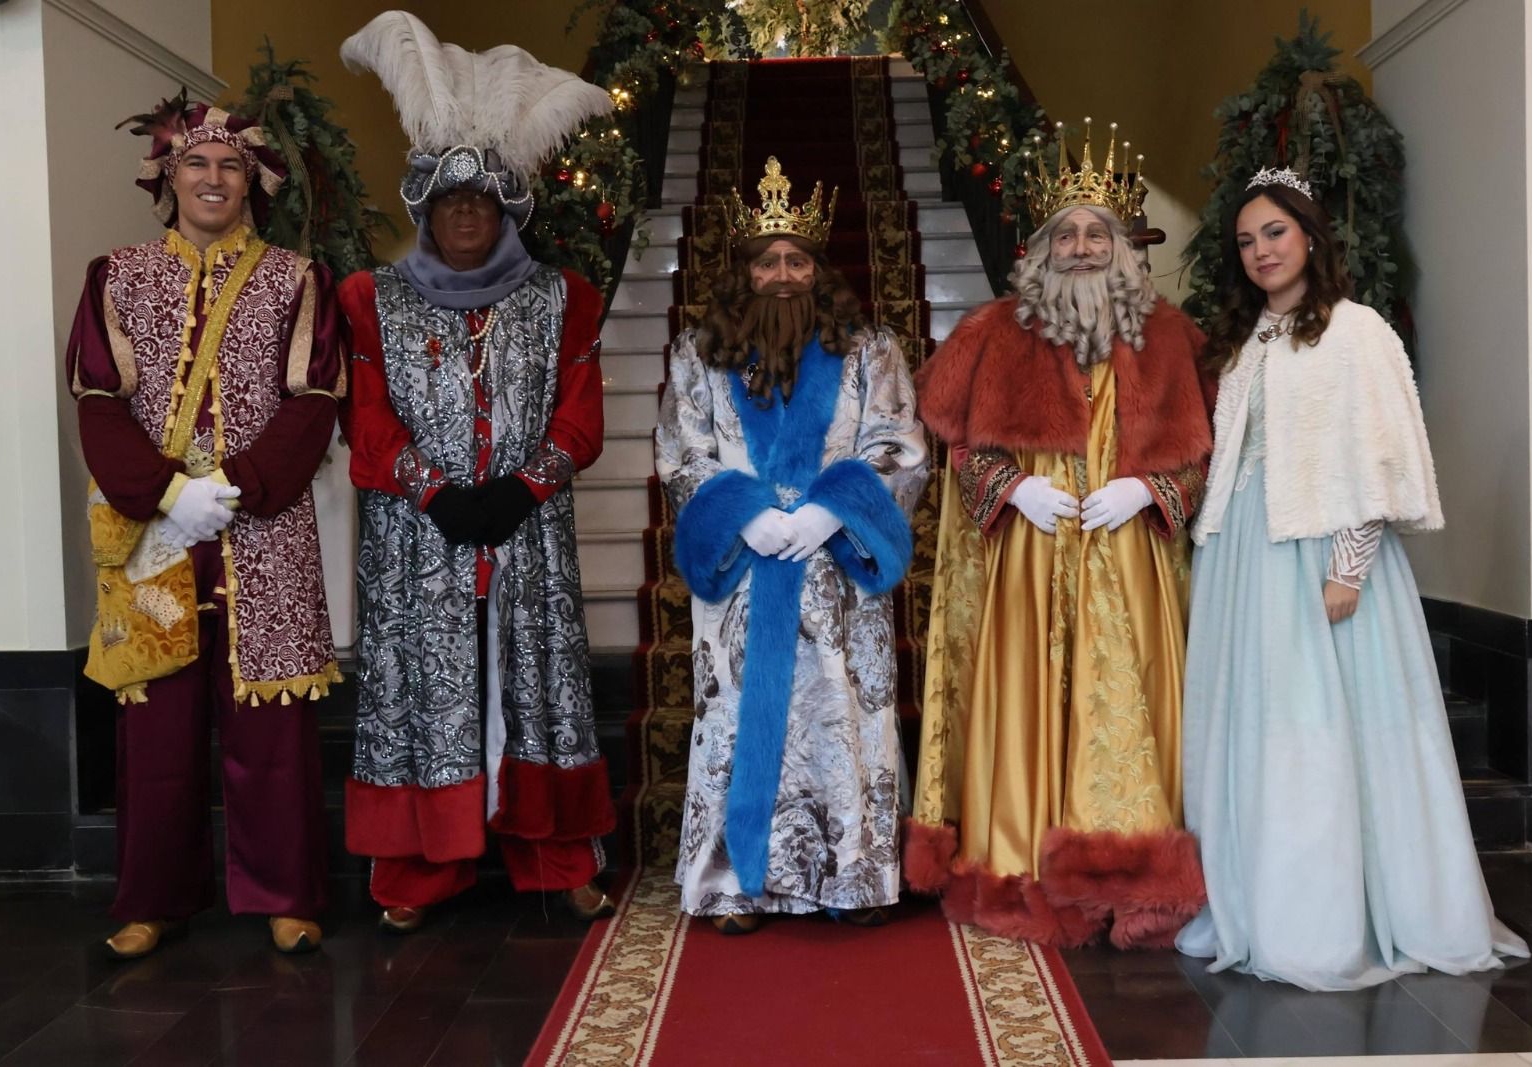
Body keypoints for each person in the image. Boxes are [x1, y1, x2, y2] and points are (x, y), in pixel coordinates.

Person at [1175, 167, 1530, 989]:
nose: (1261, 250)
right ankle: (1256, 902)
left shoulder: (1356, 329)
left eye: (1275, 232)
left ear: (1308, 234)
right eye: (1246, 240)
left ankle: (1328, 914)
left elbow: (1381, 452)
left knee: (1320, 726)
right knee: (1257, 727)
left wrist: (1350, 565)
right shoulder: (1245, 338)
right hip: (1240, 555)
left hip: (1319, 549)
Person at [338, 13, 617, 932]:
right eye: (450, 204)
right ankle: (421, 867)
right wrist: (431, 489)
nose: (466, 216)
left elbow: (581, 416)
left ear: (506, 212)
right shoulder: (367, 298)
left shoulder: (563, 296)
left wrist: (521, 486)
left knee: (538, 683)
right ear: (424, 210)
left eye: (482, 204)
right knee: (424, 685)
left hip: (526, 532)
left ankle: (556, 856)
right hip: (418, 538)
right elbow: (365, 417)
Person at [907, 121, 1213, 947]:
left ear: (1123, 250)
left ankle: (1131, 874)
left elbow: (1200, 458)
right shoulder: (991, 333)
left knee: (1127, 707)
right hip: (1029, 558)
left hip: (1130, 560)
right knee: (1028, 701)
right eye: (1066, 234)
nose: (1082, 248)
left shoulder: (1173, 337)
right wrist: (1011, 487)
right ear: (1041, 251)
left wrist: (1149, 488)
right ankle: (1024, 871)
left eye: (1097, 234)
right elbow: (958, 445)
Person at [67, 95, 343, 958]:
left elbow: (317, 398)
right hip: (157, 533)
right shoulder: (115, 274)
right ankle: (154, 899)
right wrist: (164, 492)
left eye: (229, 165)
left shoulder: (296, 277)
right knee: (156, 724)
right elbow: (98, 399)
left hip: (265, 527)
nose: (213, 177)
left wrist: (241, 480)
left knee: (274, 722)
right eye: (197, 163)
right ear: (168, 177)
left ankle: (288, 895)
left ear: (252, 181)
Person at [655, 156, 930, 934]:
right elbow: (682, 450)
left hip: (836, 569)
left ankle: (852, 878)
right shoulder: (697, 352)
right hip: (745, 570)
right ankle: (739, 882)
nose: (782, 273)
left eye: (797, 259)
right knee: (740, 717)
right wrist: (743, 511)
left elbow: (900, 443)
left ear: (819, 269)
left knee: (841, 713)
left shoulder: (869, 349)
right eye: (767, 260)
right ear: (744, 272)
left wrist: (831, 511)